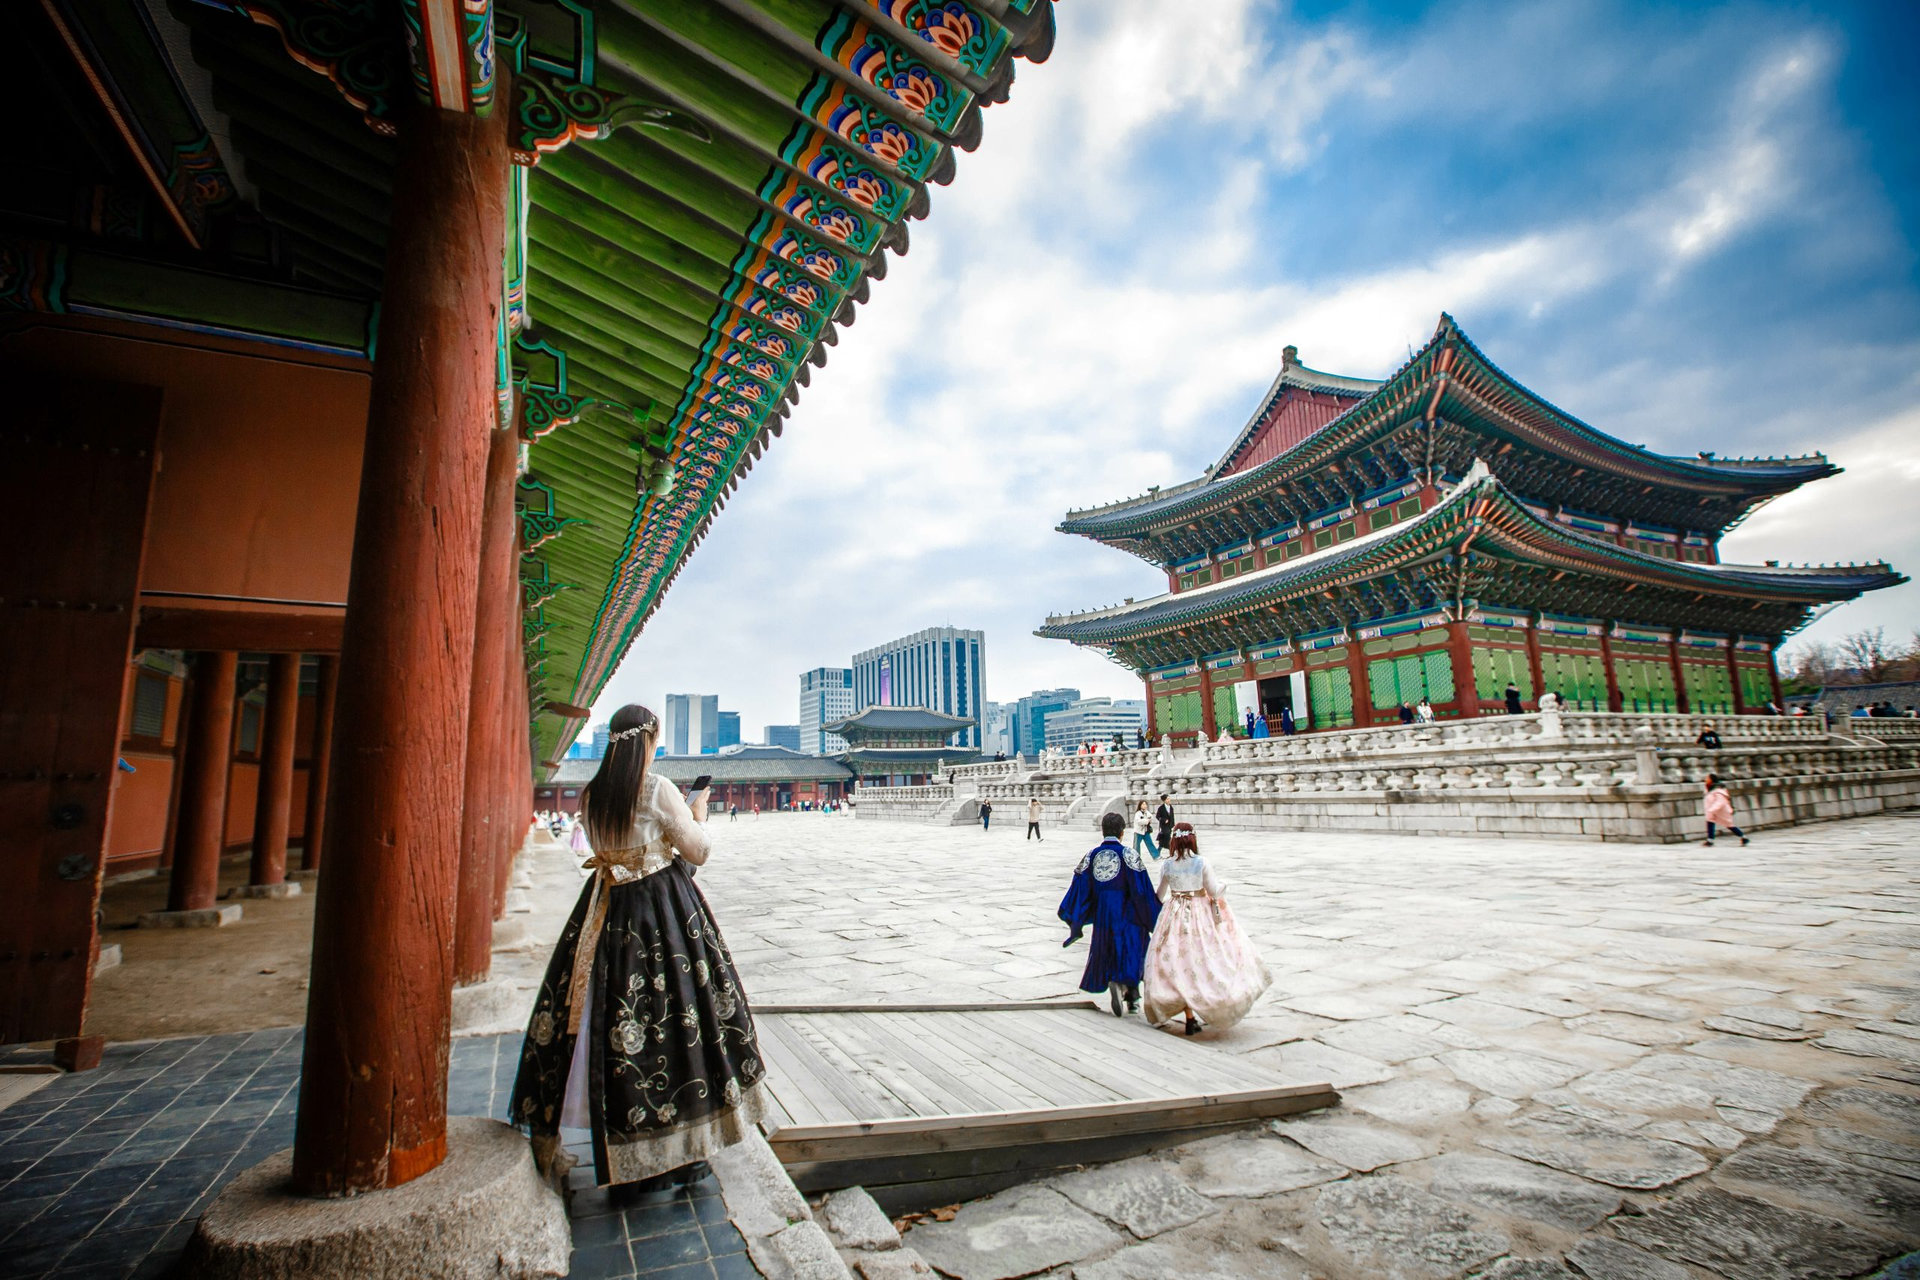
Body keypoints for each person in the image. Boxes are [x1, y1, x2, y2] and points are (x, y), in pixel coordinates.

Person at [511, 704, 764, 1192]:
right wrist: (697, 813)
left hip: (605, 911)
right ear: (649, 740)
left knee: (614, 1019)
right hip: (661, 912)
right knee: (673, 1022)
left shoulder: (593, 793)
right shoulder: (656, 788)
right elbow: (699, 852)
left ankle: (622, 1144)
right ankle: (679, 1151)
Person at [1142, 822, 1271, 1036]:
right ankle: (1207, 1003)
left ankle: (1189, 1016)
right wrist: (1224, 884)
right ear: (1192, 839)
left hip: (1174, 913)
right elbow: (1214, 890)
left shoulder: (1167, 865)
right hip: (1199, 914)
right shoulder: (1201, 862)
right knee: (1202, 959)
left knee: (1178, 962)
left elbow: (1159, 894)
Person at [1059, 811, 1161, 1017]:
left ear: (1103, 831)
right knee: (1135, 947)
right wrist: (1153, 915)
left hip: (1104, 914)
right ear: (1123, 832)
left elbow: (1079, 887)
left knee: (1107, 947)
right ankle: (1132, 997)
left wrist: (1076, 917)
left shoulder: (1091, 856)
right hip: (1128, 912)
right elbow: (1141, 890)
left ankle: (1113, 980)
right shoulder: (1129, 855)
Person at [1701, 773, 1748, 847]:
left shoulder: (1719, 790)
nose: (1705, 780)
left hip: (1721, 810)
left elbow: (1720, 802)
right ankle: (1710, 840)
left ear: (1711, 780)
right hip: (1711, 810)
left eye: (1707, 778)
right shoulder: (1708, 788)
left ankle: (1743, 837)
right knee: (1710, 822)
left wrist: (1712, 809)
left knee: (1729, 825)